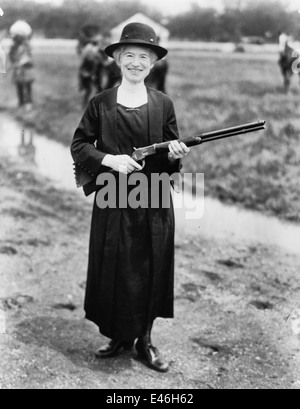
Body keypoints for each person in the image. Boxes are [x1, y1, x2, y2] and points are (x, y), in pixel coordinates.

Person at [71, 22, 190, 373]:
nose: (136, 62)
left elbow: (171, 152)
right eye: (129, 56)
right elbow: (79, 145)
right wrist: (108, 159)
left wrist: (175, 154)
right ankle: (119, 336)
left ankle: (145, 340)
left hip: (152, 199)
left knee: (149, 266)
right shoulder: (101, 103)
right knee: (115, 267)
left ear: (153, 64)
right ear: (117, 60)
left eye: (144, 57)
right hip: (111, 197)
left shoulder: (163, 104)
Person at [8, 20, 34, 110]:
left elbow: (29, 56)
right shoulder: (13, 47)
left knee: (27, 85)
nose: (17, 39)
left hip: (26, 68)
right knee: (19, 85)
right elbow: (11, 56)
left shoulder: (26, 46)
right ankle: (21, 102)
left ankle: (29, 102)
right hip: (18, 69)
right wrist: (14, 63)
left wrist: (23, 62)